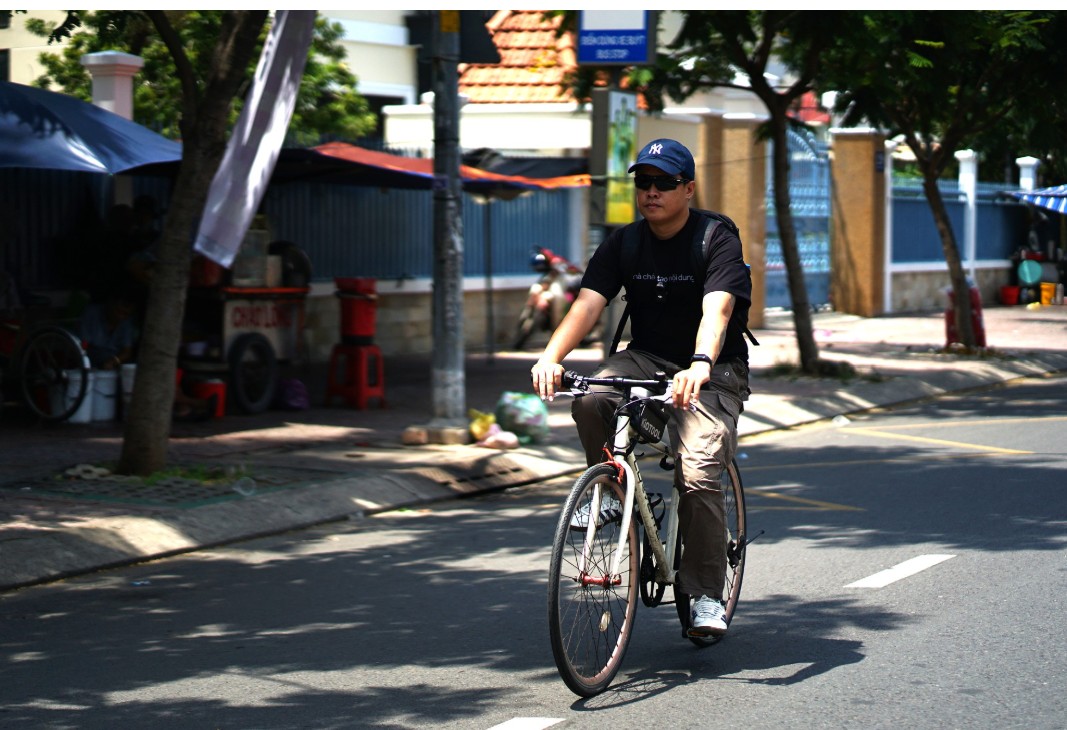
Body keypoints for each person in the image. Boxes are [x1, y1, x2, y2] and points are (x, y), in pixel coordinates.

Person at [530, 138, 752, 637]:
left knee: (696, 476)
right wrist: (551, 357)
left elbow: (717, 310)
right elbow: (587, 305)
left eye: (663, 183)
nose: (651, 192)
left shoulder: (715, 239)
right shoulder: (624, 242)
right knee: (591, 395)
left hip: (712, 371)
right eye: (643, 182)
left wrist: (698, 364)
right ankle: (609, 485)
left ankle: (704, 596)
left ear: (688, 189)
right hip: (647, 358)